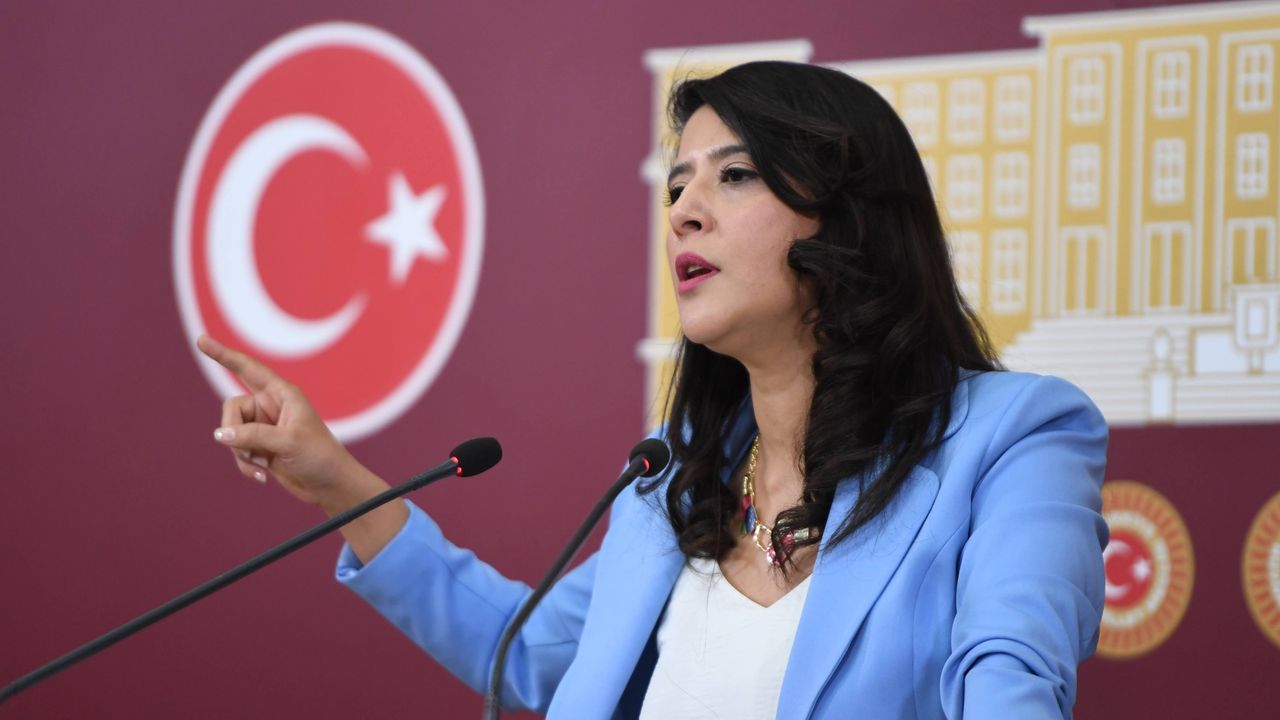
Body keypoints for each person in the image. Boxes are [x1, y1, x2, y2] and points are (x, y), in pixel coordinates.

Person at [199, 61, 1108, 719]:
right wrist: (336, 481)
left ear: (849, 219)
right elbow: (529, 655)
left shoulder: (1014, 439)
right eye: (677, 186)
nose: (682, 211)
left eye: (734, 176)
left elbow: (1010, 684)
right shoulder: (676, 478)